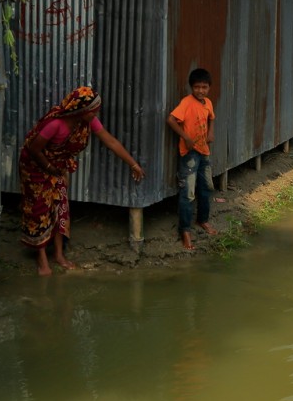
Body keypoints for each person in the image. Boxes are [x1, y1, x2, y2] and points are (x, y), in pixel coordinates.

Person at [19, 86, 145, 275]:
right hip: (36, 167)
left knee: (61, 206)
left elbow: (110, 141)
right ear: (82, 110)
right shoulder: (55, 124)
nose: (96, 113)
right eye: (94, 110)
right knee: (39, 209)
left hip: (57, 167)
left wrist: (133, 164)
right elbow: (34, 150)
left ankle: (59, 255)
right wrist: (51, 169)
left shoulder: (86, 122)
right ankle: (42, 259)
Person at [167, 68, 216, 250]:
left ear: (209, 88)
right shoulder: (186, 103)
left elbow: (211, 117)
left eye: (204, 87)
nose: (201, 91)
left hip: (204, 151)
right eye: (197, 87)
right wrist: (185, 137)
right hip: (189, 153)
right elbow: (171, 120)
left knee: (206, 187)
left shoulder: (208, 102)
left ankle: (202, 220)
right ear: (191, 87)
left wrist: (211, 132)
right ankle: (185, 230)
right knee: (188, 193)